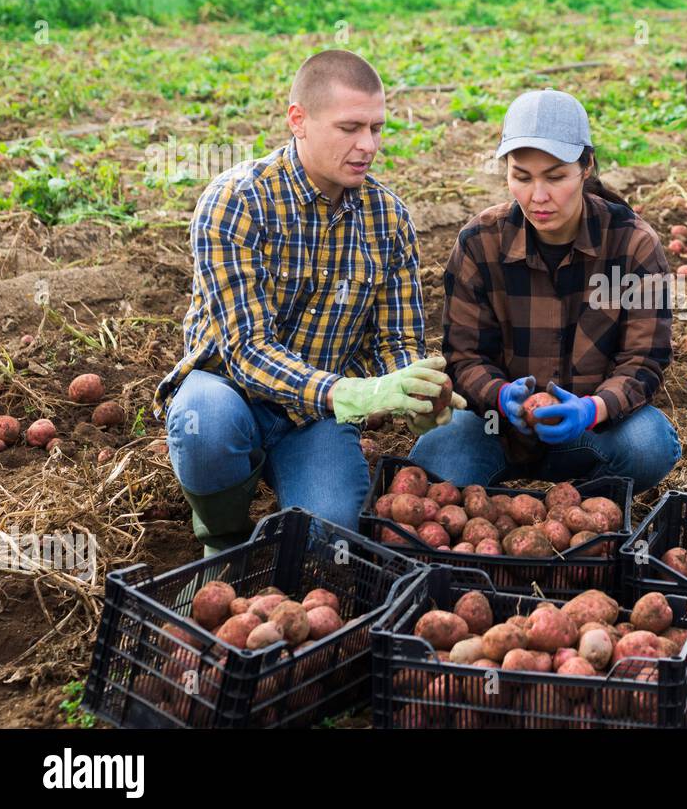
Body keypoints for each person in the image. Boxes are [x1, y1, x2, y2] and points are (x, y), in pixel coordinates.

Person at [153, 49, 464, 555]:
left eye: (377, 128)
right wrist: (350, 394)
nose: (368, 145)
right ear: (298, 120)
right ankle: (223, 536)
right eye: (350, 128)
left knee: (330, 535)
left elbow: (396, 338)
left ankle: (295, 508)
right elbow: (247, 349)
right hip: (232, 393)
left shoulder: (388, 218)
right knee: (203, 420)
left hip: (312, 419)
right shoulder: (237, 203)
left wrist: (417, 390)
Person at [408, 88, 681, 492]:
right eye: (522, 177)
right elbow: (464, 356)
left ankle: (585, 506)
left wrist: (591, 409)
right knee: (436, 460)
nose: (538, 197)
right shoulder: (479, 242)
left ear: (586, 167)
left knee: (648, 445)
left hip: (592, 430)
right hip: (497, 430)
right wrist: (501, 397)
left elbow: (644, 358)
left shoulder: (632, 244)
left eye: (555, 177)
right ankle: (505, 501)